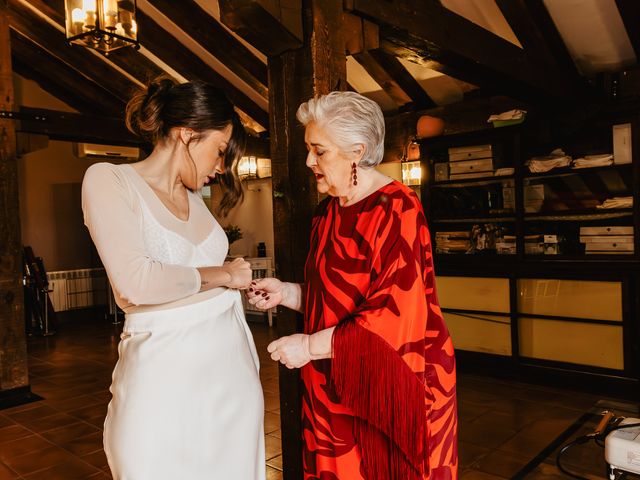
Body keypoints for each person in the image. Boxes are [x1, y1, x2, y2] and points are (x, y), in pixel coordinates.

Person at [247, 91, 458, 479]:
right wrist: (289, 293)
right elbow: (337, 298)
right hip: (331, 379)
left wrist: (309, 345)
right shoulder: (326, 212)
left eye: (319, 151)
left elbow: (394, 312)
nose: (310, 161)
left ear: (357, 151)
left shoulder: (398, 207)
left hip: (390, 381)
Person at [82, 78, 265, 480]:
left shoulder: (197, 200)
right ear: (186, 134)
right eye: (219, 151)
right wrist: (225, 274)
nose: (220, 168)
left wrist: (236, 281)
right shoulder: (109, 180)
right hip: (162, 379)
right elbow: (137, 283)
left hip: (230, 379)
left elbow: (193, 271)